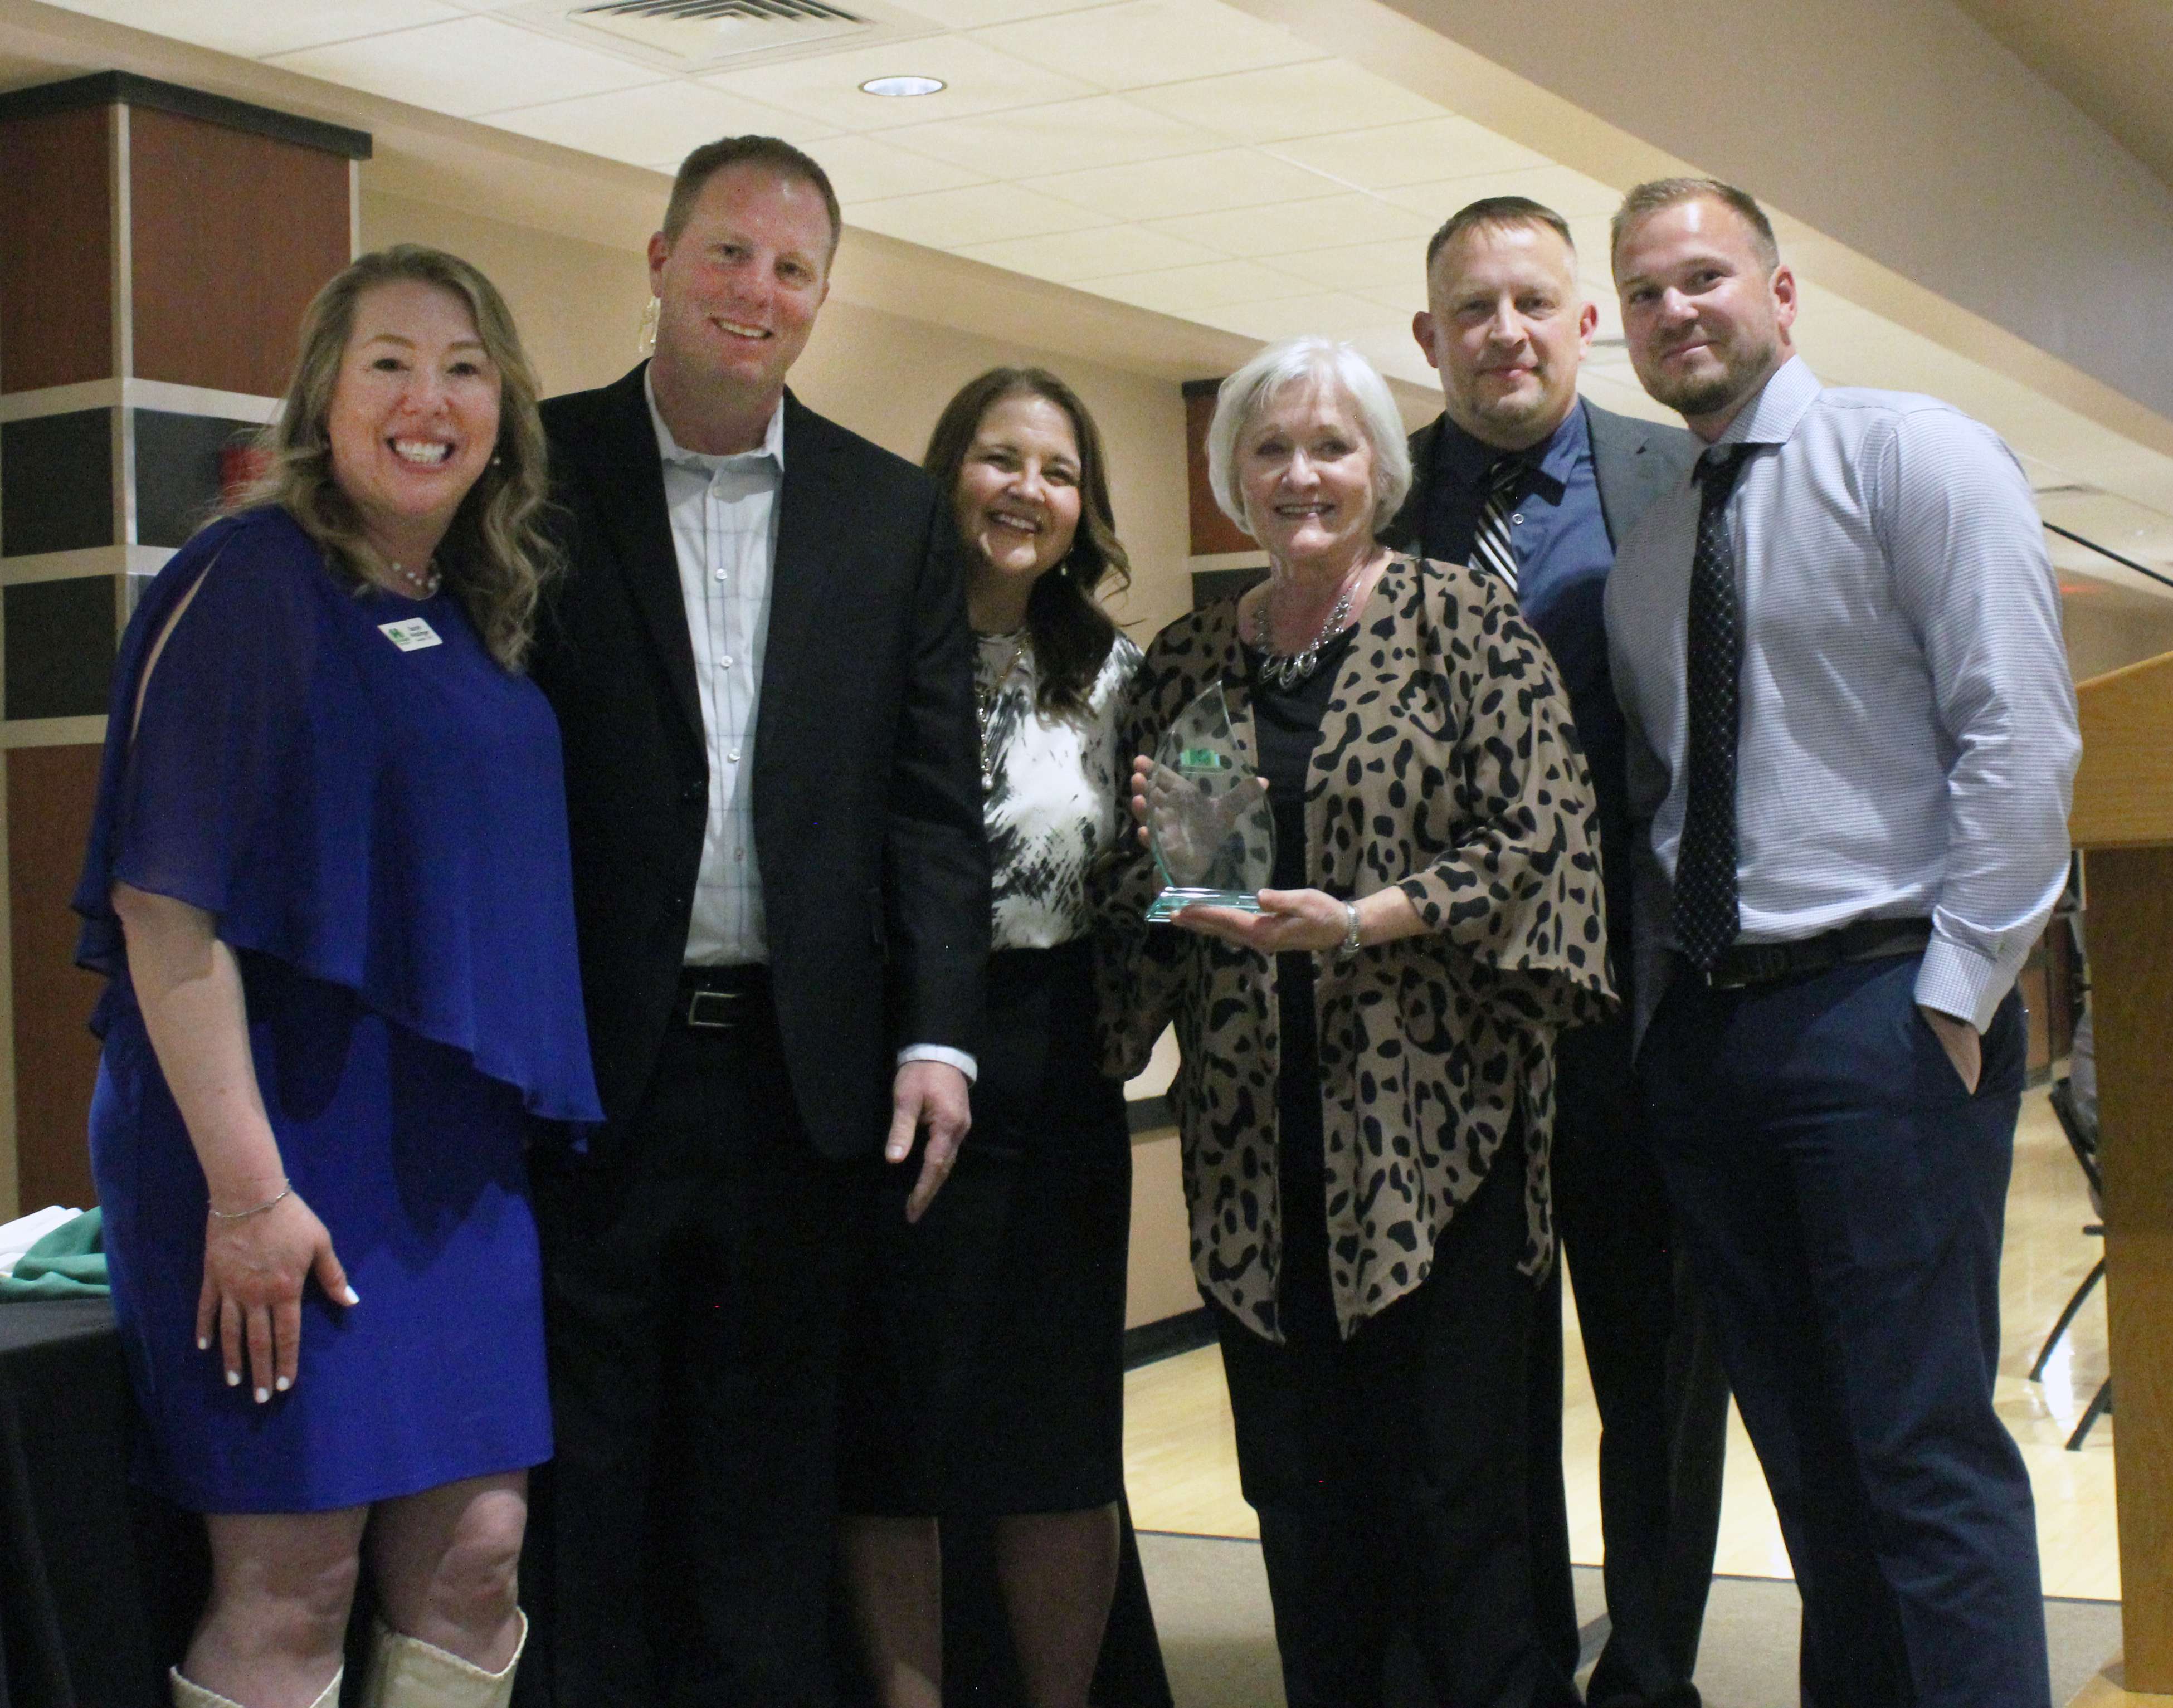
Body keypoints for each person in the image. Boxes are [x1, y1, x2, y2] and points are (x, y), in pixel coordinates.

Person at [72, 245, 598, 1708]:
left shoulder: (474, 613)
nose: (428, 399)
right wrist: (247, 1194)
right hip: (279, 1161)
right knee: (289, 1580)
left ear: (501, 410)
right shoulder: (252, 574)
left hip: (450, 1171)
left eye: (464, 368)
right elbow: (163, 912)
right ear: (324, 393)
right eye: (390, 362)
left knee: (481, 1555)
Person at [515, 135, 988, 1707]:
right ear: (657, 259)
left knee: (768, 1491)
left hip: (805, 1089)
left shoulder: (889, 510)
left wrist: (936, 1030)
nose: (754, 293)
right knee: (586, 1487)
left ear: (823, 297)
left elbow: (930, 805)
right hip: (588, 1080)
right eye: (726, 253)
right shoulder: (533, 471)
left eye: (791, 269)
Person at [1605, 177, 2081, 1707]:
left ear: (1781, 292)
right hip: (1715, 1039)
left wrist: (1952, 999)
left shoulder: (1914, 457)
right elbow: (1675, 799)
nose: (1675, 311)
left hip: (1885, 1013)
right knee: (1807, 1466)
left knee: (1918, 1450)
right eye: (1644, 292)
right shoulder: (1648, 559)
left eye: (1702, 277)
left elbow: (2017, 739)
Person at [1100, 335, 1613, 1708]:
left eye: (1330, 446)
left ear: (1379, 469)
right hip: (1255, 1152)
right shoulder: (1192, 658)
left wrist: (1363, 917)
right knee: (1304, 1498)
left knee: (1459, 1505)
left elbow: (1545, 842)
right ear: (1232, 478)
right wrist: (1164, 892)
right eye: (1270, 449)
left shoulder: (1463, 623)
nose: (1301, 474)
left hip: (1441, 1147)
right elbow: (1142, 891)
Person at [1381, 194, 1727, 1707]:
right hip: (1445, 1031)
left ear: (1582, 320)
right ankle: (1505, 1661)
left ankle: (1649, 1667)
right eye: (1472, 308)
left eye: (1531, 301)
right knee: (1475, 1382)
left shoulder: (1682, 473)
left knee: (1654, 1371)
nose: (1503, 332)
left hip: (1638, 1013)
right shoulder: (1374, 506)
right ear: (1428, 338)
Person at [837, 367, 1146, 1708]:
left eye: (1059, 472)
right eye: (999, 458)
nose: (1027, 490)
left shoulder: (1120, 674)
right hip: (888, 1058)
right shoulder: (858, 649)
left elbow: (1169, 873)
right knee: (894, 1423)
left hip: (1056, 1063)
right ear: (945, 469)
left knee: (1057, 1429)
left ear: (1085, 512)